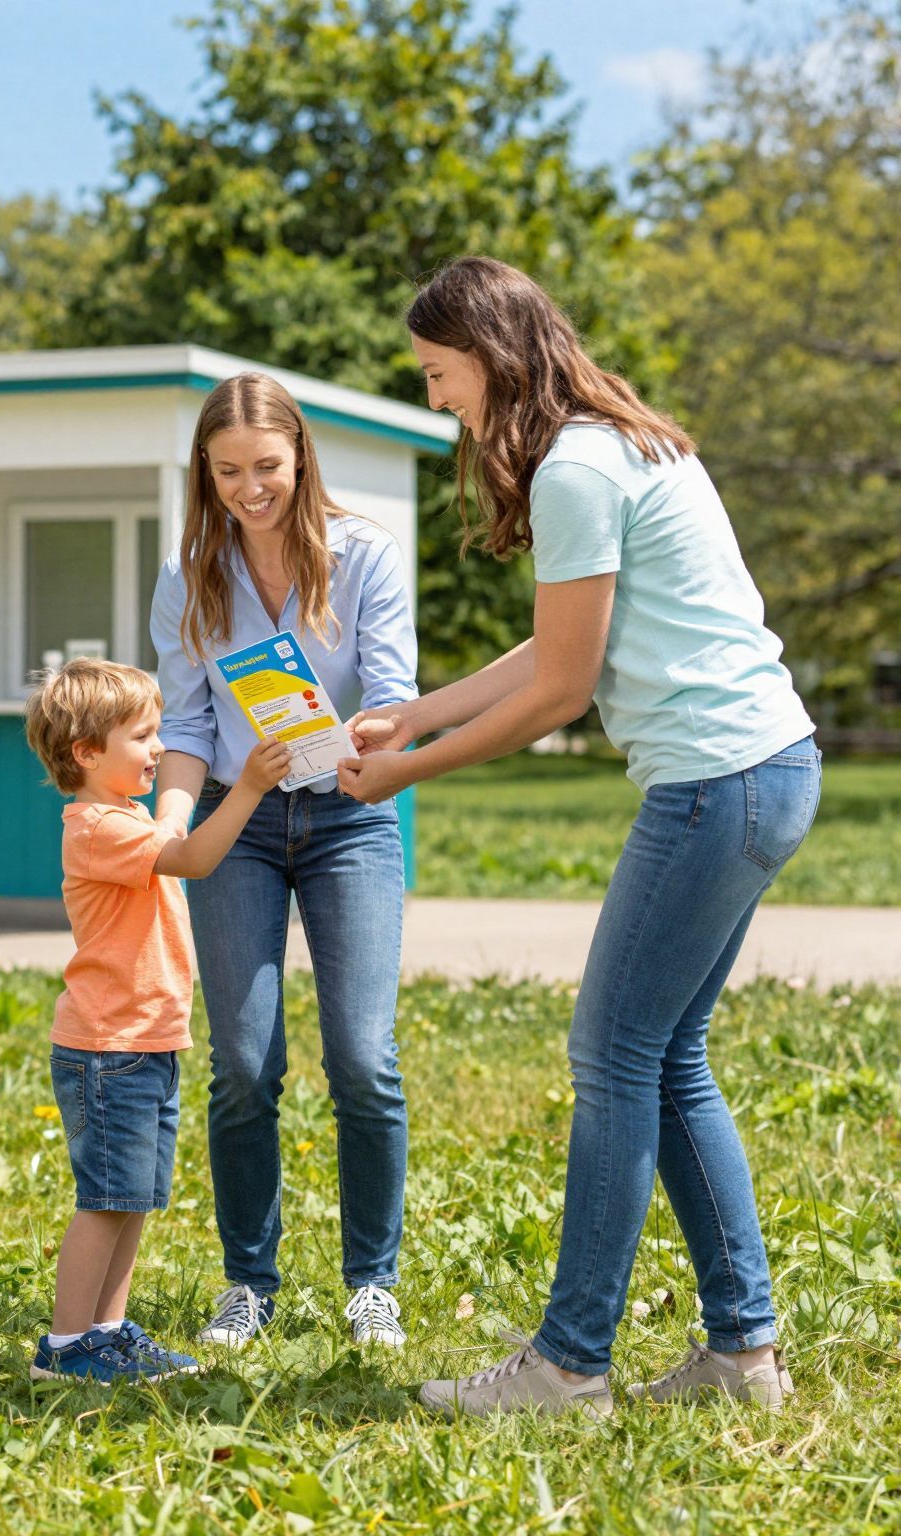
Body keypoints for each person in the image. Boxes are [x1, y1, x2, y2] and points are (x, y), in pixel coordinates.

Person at [340, 255, 819, 1417]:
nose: (436, 398)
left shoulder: (572, 469)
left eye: (438, 374)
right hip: (771, 767)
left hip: (713, 785)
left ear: (490, 359)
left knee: (613, 1058)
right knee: (665, 1060)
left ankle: (566, 1367)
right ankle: (740, 1357)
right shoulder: (629, 441)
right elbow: (572, 641)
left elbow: (560, 692)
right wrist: (423, 707)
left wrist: (402, 770)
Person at [149, 372, 420, 1351]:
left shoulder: (363, 558)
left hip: (347, 814)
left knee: (361, 1058)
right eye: (226, 471)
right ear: (205, 472)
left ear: (298, 455)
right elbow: (182, 724)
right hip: (237, 821)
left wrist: (339, 744)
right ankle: (247, 1285)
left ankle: (370, 1284)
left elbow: (392, 697)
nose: (247, 487)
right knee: (243, 1067)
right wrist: (170, 823)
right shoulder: (188, 574)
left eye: (264, 465)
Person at [23, 657, 291, 1382]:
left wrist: (187, 787)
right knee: (106, 1202)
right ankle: (66, 1344)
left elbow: (172, 824)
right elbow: (197, 857)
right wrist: (250, 788)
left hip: (145, 1043)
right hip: (110, 1049)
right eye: (143, 737)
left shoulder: (126, 817)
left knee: (132, 1199)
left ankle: (106, 1331)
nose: (157, 750)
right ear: (86, 753)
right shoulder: (97, 828)